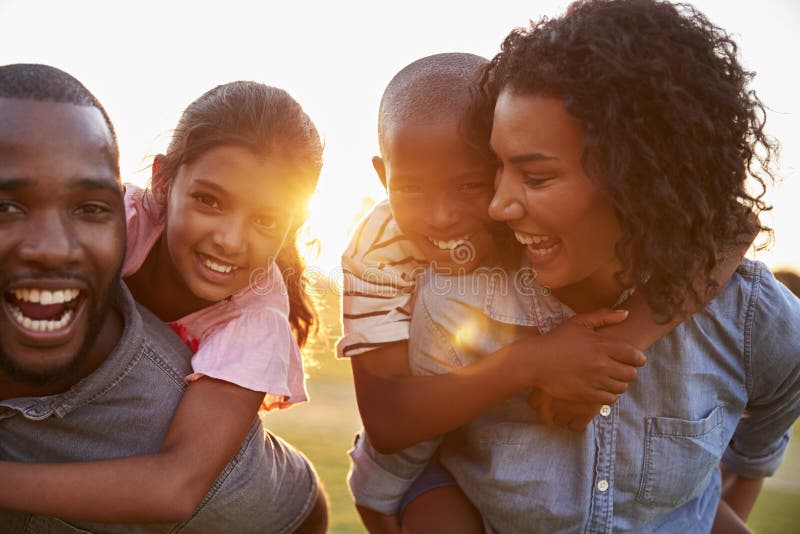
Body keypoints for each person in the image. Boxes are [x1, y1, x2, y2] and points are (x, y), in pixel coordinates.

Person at [403, 1, 800, 532]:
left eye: (536, 178)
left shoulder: (753, 317)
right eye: (498, 167)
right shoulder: (458, 300)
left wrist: (715, 515)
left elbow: (762, 442)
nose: (499, 205)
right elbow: (396, 471)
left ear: (640, 178)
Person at [339, 52, 746, 533]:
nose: (442, 215)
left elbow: (733, 224)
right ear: (384, 176)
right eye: (412, 189)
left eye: (471, 184)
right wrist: (534, 363)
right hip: (433, 452)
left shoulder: (528, 211)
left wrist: (620, 344)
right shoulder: (378, 251)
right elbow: (389, 423)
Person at [0, 63, 326, 533]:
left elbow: (176, 487)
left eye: (266, 220)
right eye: (210, 201)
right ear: (162, 182)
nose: (230, 240)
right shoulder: (121, 222)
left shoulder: (256, 319)